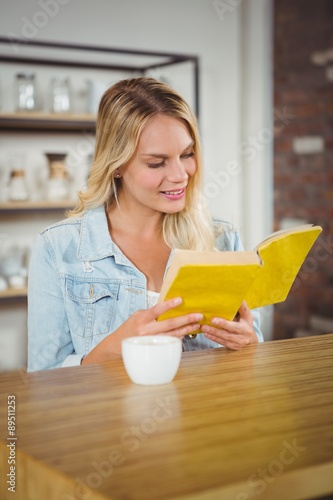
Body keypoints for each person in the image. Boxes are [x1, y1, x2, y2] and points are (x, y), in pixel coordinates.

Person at [28, 77, 263, 371]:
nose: (180, 174)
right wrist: (114, 348)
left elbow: (253, 357)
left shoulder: (222, 238)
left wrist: (249, 342)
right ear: (116, 166)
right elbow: (42, 383)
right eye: (156, 163)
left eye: (187, 154)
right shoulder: (57, 249)